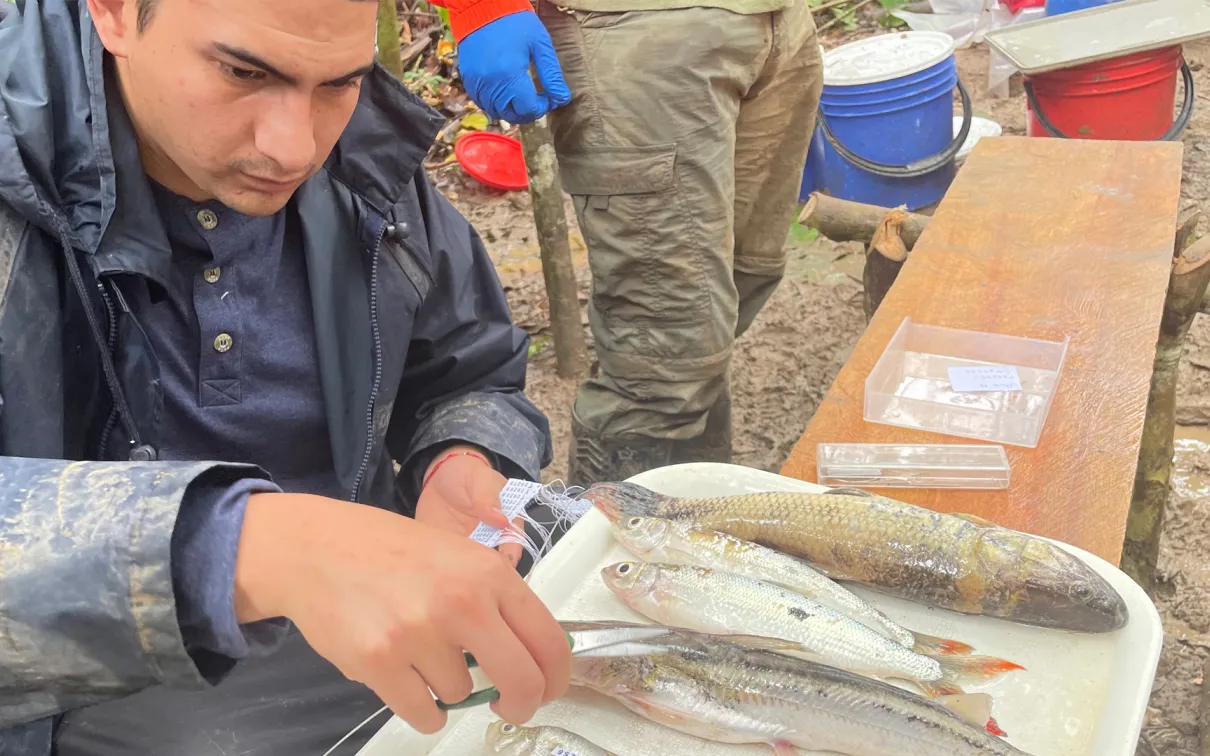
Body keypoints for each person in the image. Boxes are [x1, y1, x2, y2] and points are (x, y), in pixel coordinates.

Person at [0, 0, 572, 754]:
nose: (295, 147)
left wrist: (460, 460)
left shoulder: (365, 160)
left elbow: (470, 366)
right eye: (243, 72)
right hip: (78, 685)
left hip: (378, 628)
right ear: (110, 13)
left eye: (340, 83)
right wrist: (240, 547)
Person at [435, 0, 823, 484]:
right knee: (662, 359)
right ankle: (614, 548)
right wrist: (480, 7)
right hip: (632, 32)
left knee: (740, 279)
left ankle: (693, 514)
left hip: (776, 18)